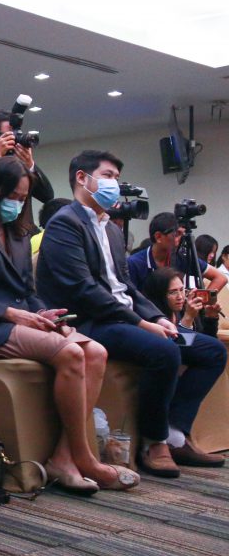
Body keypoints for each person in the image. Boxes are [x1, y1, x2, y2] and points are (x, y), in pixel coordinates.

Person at [0, 156, 138, 493]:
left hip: (19, 322)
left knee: (97, 352)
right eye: (12, 196)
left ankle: (64, 457)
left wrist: (48, 316)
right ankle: (84, 457)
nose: (17, 205)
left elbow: (28, 293)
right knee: (72, 353)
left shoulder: (19, 233)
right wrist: (11, 313)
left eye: (23, 199)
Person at [36, 150, 213, 478]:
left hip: (125, 319)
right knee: (165, 350)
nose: (114, 184)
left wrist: (157, 318)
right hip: (90, 322)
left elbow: (127, 285)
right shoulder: (64, 224)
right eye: (107, 176)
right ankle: (154, 442)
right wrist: (142, 323)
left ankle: (176, 432)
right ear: (82, 178)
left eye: (116, 178)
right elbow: (84, 290)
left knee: (211, 351)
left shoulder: (112, 229)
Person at [140, 268, 226, 467]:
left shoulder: (181, 311)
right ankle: (173, 436)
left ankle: (176, 431)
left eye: (182, 290)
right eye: (173, 292)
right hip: (159, 353)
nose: (180, 296)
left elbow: (203, 346)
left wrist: (210, 318)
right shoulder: (155, 317)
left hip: (184, 354)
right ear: (160, 295)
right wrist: (187, 319)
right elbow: (178, 341)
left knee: (216, 352)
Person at [127, 213, 226, 337]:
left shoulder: (179, 257)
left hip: (178, 320)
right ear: (158, 236)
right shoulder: (134, 263)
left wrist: (199, 302)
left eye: (182, 235)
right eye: (177, 234)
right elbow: (132, 302)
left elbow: (220, 278)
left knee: (212, 345)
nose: (181, 239)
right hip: (149, 323)